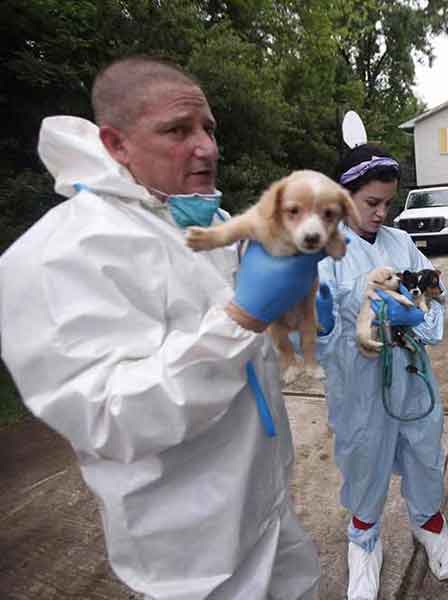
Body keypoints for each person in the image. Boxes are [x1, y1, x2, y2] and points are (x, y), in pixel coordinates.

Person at [0, 56, 322, 599]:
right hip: (192, 556)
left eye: (208, 129)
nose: (207, 148)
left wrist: (288, 318)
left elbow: (236, 351)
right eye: (178, 130)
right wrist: (244, 317)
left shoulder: (206, 222)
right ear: (116, 144)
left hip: (264, 507)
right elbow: (111, 418)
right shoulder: (59, 254)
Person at [315, 143, 448, 600]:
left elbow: (434, 298)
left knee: (424, 451)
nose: (381, 213)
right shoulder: (323, 253)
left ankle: (429, 524)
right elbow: (320, 341)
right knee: (364, 459)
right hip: (359, 385)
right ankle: (364, 539)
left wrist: (419, 313)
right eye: (371, 203)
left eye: (388, 203)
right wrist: (329, 323)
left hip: (413, 377)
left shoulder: (400, 243)